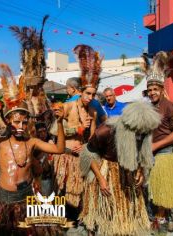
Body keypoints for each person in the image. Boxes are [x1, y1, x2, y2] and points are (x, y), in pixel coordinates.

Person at [0, 64, 65, 235]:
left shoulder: (32, 142)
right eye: (16, 122)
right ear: (8, 122)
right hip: (4, 199)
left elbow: (59, 149)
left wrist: (59, 123)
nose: (20, 126)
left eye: (23, 122)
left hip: (26, 198)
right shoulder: (1, 141)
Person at [79, 101, 161, 235]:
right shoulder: (105, 130)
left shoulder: (143, 130)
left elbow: (142, 152)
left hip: (128, 172)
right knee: (105, 210)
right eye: (136, 133)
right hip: (105, 170)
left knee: (125, 213)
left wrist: (141, 171)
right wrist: (101, 179)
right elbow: (88, 154)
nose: (139, 136)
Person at [52, 45, 102, 226]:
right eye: (88, 93)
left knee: (79, 190)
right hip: (64, 155)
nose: (90, 97)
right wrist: (75, 132)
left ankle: (76, 219)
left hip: (80, 156)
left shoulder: (93, 112)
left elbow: (93, 136)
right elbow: (53, 132)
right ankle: (59, 222)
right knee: (61, 190)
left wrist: (87, 144)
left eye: (93, 94)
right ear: (80, 91)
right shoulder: (66, 107)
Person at [144, 51, 173, 232]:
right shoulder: (149, 107)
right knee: (158, 189)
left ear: (161, 89)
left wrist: (155, 145)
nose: (152, 92)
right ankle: (166, 215)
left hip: (166, 155)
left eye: (155, 89)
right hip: (152, 154)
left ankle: (162, 218)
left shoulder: (171, 107)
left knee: (162, 189)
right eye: (150, 89)